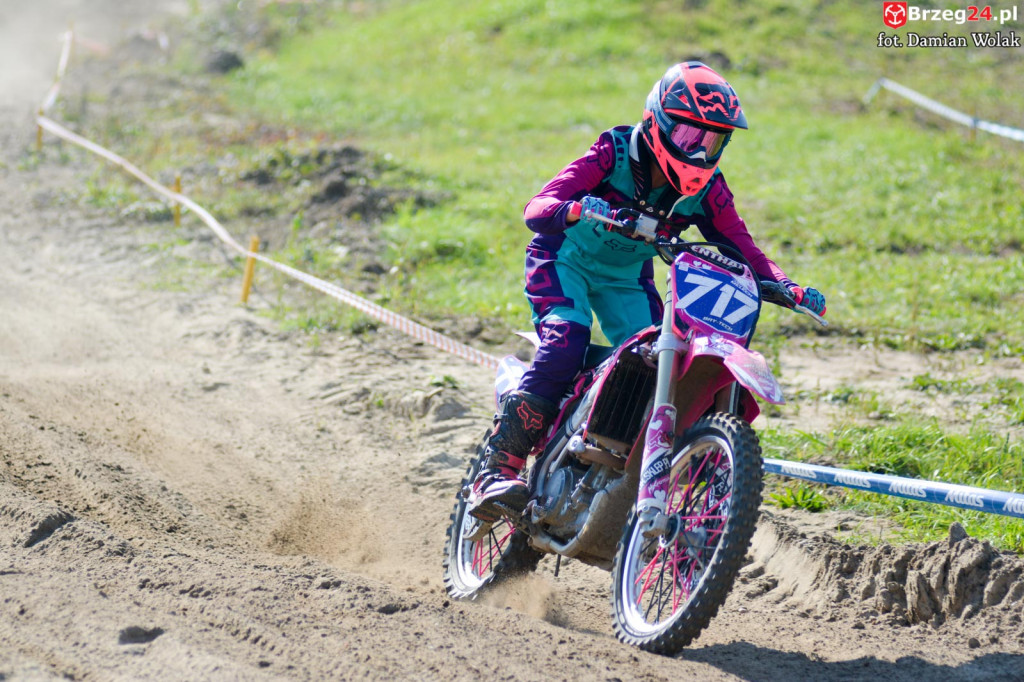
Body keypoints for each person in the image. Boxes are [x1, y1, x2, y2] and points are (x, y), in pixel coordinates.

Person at [466, 61, 826, 521]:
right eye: (689, 136)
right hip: (564, 258)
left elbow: (743, 247)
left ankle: (615, 460)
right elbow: (538, 207)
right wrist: (575, 209)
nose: (699, 152)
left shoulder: (709, 190)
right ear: (656, 120)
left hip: (627, 278)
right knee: (566, 340)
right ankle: (497, 469)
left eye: (712, 141)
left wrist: (787, 286)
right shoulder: (612, 152)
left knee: (657, 362)